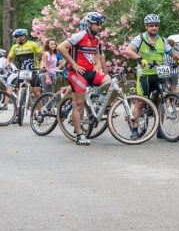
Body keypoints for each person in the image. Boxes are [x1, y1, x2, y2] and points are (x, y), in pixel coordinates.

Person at [57, 12, 110, 145]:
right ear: (89, 24)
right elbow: (61, 47)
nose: (99, 27)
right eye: (97, 24)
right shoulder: (80, 35)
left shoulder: (96, 40)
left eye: (100, 24)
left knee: (110, 82)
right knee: (79, 104)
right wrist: (74, 64)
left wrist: (98, 66)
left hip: (90, 72)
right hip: (77, 73)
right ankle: (79, 135)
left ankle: (99, 107)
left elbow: (97, 55)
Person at [7, 28, 45, 106]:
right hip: (22, 71)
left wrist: (43, 65)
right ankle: (18, 110)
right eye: (15, 37)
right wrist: (8, 65)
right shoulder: (15, 47)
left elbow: (44, 55)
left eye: (17, 37)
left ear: (23, 37)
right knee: (18, 90)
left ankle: (40, 110)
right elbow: (9, 59)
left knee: (36, 92)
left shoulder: (32, 44)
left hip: (33, 70)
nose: (15, 38)